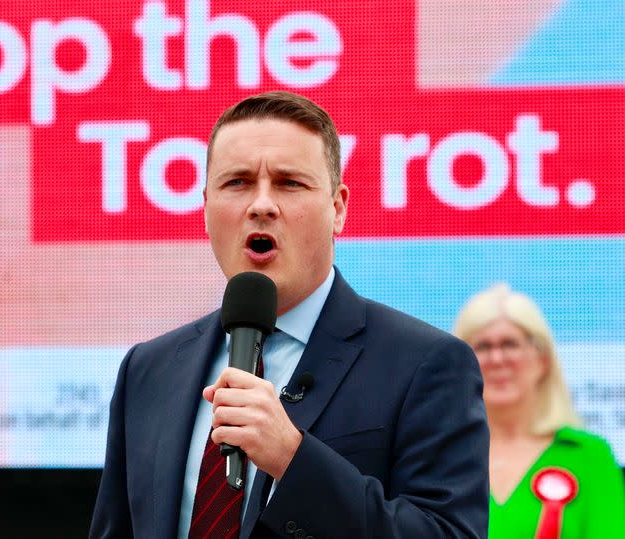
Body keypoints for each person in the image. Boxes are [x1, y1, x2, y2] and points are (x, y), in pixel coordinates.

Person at [90, 91, 489, 538]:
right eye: (237, 182)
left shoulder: (426, 364)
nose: (261, 205)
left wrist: (293, 459)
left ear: (337, 209)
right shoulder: (148, 369)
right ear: (205, 208)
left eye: (289, 183)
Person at [452, 283, 625, 538]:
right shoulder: (439, 455)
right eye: (483, 347)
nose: (497, 359)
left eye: (510, 344)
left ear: (542, 360)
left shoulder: (590, 456)